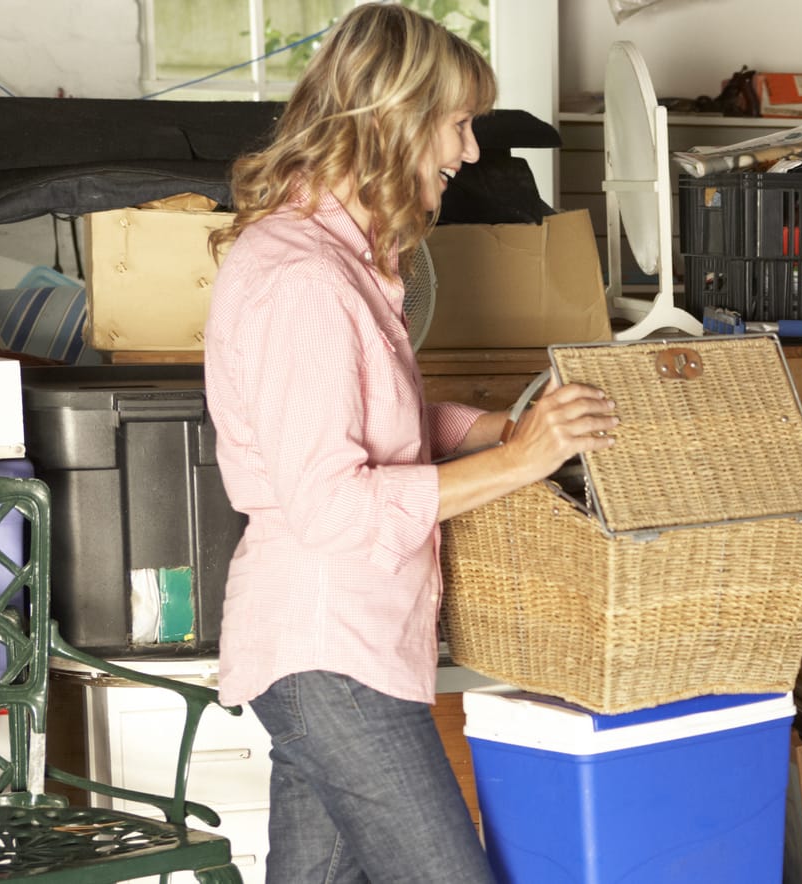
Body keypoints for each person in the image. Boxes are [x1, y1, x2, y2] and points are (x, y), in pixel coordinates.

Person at [203, 6, 617, 881]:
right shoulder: (305, 282)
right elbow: (329, 503)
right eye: (458, 123)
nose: (468, 152)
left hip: (346, 649)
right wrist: (518, 462)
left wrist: (494, 430)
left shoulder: (343, 261)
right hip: (327, 648)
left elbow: (377, 418)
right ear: (392, 119)